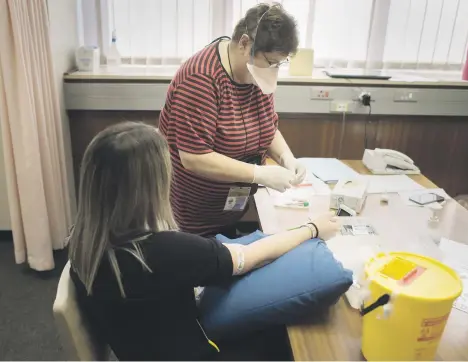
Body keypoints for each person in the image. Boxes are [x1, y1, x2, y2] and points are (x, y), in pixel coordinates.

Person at [68, 122, 339, 361]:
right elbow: (251, 256)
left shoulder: (83, 243)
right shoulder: (165, 252)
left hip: (142, 348)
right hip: (197, 353)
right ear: (151, 186)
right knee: (293, 339)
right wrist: (312, 229)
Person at [159, 3, 307, 236]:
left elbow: (267, 126)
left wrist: (286, 157)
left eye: (280, 64)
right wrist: (259, 174)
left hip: (231, 207)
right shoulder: (201, 79)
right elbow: (194, 158)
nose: (273, 70)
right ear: (245, 44)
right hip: (193, 216)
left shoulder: (257, 74)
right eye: (270, 62)